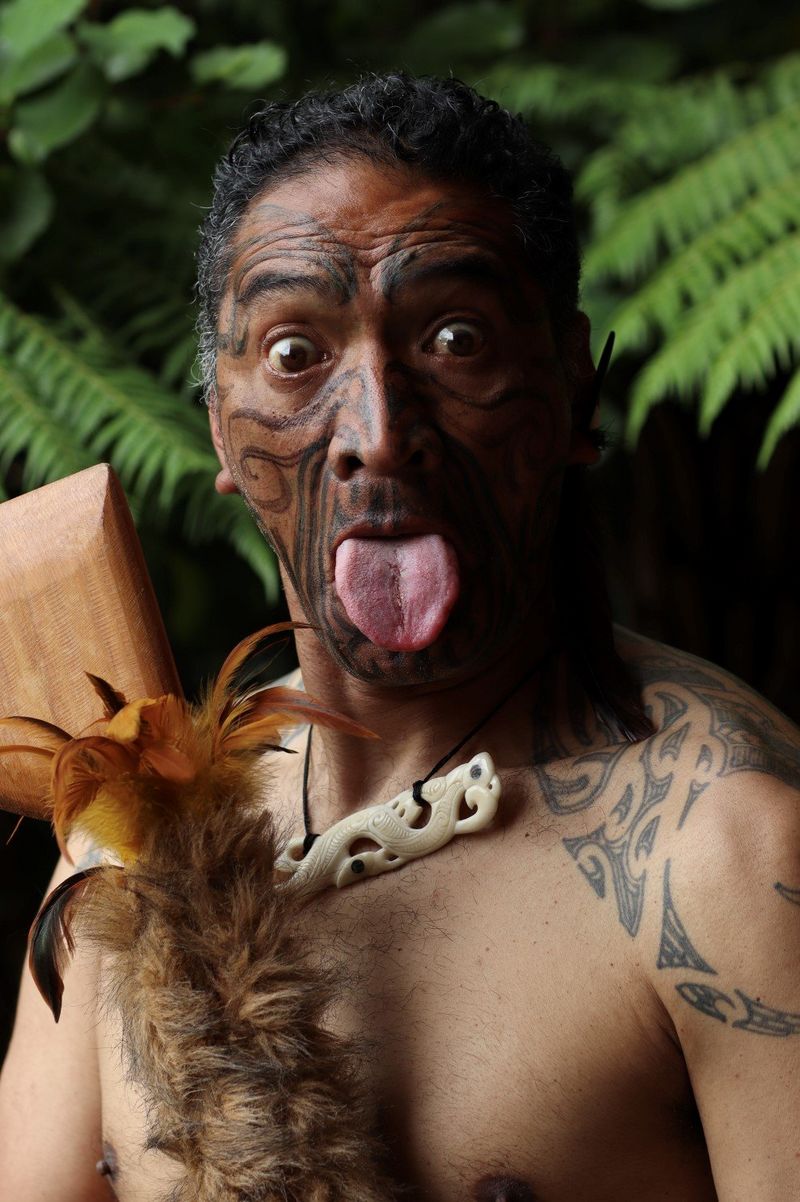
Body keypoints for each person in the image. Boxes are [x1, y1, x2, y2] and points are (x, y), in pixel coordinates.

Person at [2, 73, 799, 1202]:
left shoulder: (726, 855)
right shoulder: (121, 849)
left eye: (455, 338)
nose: (377, 433)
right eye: (293, 353)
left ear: (572, 385)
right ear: (218, 424)